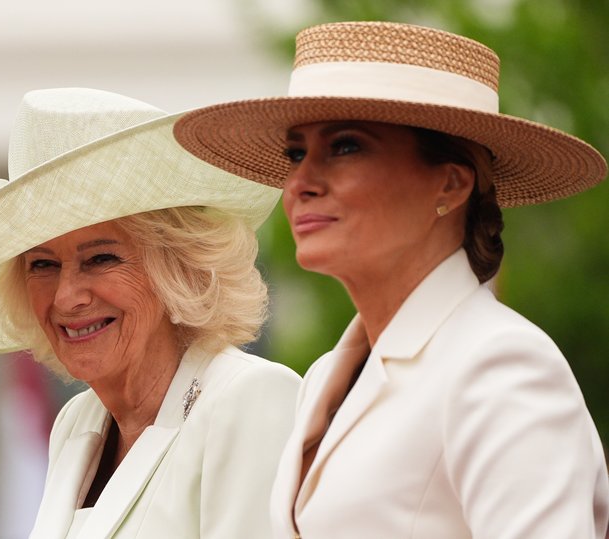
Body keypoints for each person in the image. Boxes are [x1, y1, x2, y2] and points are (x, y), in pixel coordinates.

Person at [174, 21, 609, 538]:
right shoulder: (325, 378)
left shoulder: (501, 364)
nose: (300, 183)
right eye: (296, 153)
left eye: (346, 146)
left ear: (451, 183)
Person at [0, 87, 301, 538]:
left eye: (101, 259)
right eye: (42, 265)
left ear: (179, 267)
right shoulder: (78, 421)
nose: (66, 297)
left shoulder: (250, 398)